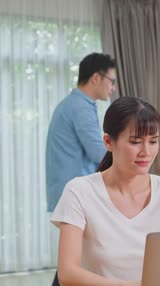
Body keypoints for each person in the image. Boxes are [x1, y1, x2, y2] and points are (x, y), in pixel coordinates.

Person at [50, 97, 160, 286]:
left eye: (153, 141)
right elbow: (67, 274)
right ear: (109, 142)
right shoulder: (79, 192)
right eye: (135, 142)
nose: (146, 152)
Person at [45, 53, 117, 213]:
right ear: (96, 78)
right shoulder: (81, 108)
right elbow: (99, 154)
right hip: (74, 198)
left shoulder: (72, 104)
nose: (114, 88)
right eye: (112, 81)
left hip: (67, 195)